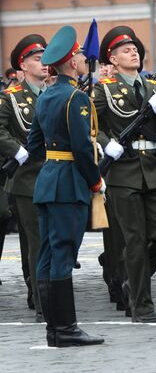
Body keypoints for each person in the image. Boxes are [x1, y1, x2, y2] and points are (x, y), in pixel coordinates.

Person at [25, 25, 104, 346]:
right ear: (72, 63)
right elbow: (84, 148)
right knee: (62, 253)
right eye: (81, 56)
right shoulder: (75, 96)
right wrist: (95, 180)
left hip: (48, 180)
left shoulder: (45, 96)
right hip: (68, 182)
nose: (85, 60)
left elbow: (33, 143)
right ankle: (66, 328)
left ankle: (54, 328)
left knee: (47, 254)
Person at [92, 25, 156, 322]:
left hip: (152, 169)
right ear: (113, 60)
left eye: (135, 50)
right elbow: (92, 126)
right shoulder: (103, 90)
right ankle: (142, 305)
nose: (133, 53)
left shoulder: (153, 89)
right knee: (135, 239)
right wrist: (106, 144)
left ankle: (130, 278)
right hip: (124, 172)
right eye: (126, 51)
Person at [0, 34, 48, 319]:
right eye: (37, 59)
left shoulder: (53, 94)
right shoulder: (11, 98)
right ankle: (44, 301)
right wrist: (15, 150)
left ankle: (38, 289)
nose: (44, 64)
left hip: (55, 174)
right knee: (37, 241)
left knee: (52, 240)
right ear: (23, 65)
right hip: (27, 178)